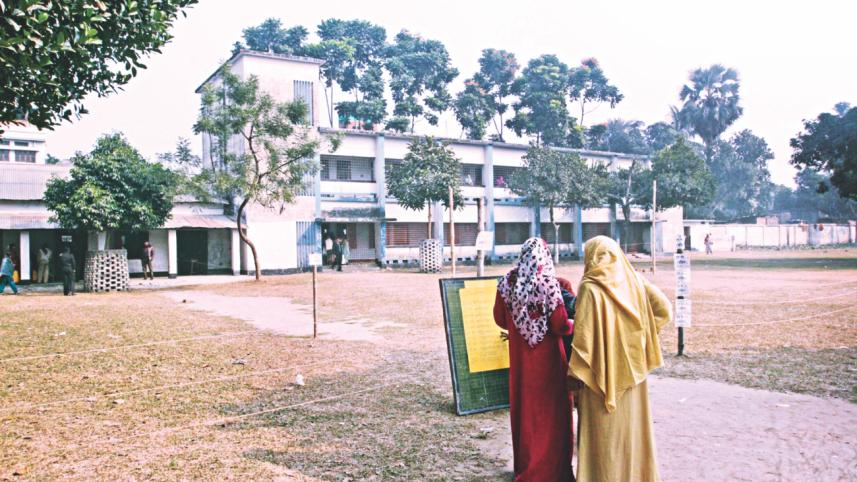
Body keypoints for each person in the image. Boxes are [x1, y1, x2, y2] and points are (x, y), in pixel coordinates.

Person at [568, 236, 672, 482]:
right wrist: (638, 339)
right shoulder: (634, 280)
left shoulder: (590, 287)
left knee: (603, 437)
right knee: (633, 434)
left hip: (599, 376)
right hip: (632, 370)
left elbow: (583, 338)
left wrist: (574, 375)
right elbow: (664, 309)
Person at [493, 237, 574, 481]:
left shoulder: (506, 282)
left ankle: (526, 469)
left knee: (525, 413)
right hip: (549, 362)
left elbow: (499, 319)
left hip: (520, 362)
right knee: (552, 414)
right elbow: (560, 325)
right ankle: (552, 471)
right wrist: (574, 324)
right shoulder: (549, 284)